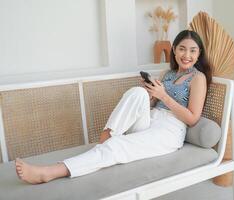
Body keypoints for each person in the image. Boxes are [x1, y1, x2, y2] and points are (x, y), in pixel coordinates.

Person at [15, 30, 212, 184]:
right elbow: (153, 102)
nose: (187, 55)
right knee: (137, 92)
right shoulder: (167, 73)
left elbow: (193, 118)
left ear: (199, 53)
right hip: (151, 118)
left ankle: (50, 172)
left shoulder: (198, 78)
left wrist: (164, 96)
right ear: (174, 50)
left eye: (192, 50)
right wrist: (151, 95)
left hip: (169, 130)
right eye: (182, 49)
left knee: (118, 145)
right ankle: (106, 137)